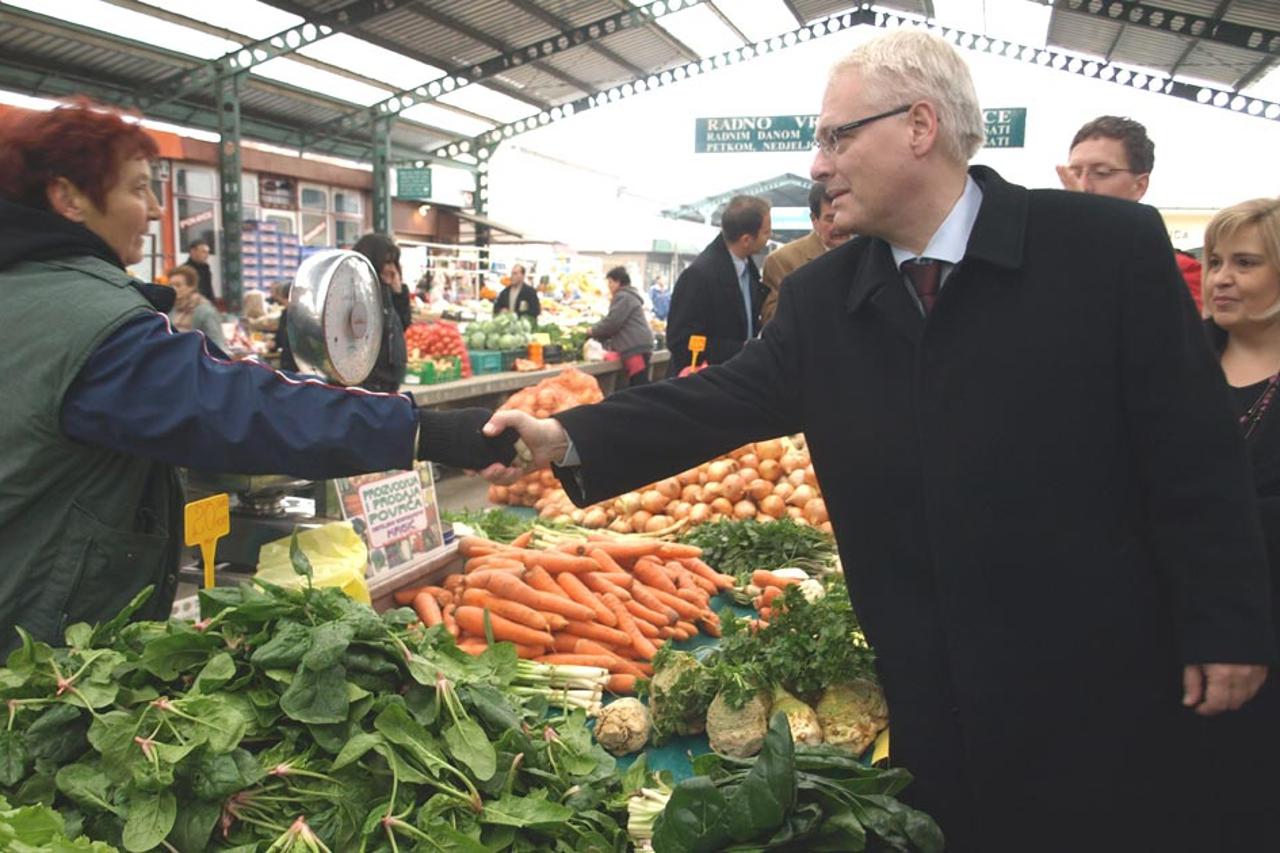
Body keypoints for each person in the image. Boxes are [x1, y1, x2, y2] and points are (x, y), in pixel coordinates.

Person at [480, 31, 1274, 852]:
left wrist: (1229, 620)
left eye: (835, 136)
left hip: (1098, 676)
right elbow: (720, 399)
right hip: (932, 690)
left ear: (920, 125)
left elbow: (1192, 448)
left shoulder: (1102, 249)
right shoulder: (828, 296)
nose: (818, 164)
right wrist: (563, 434)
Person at [0, 100, 517, 651]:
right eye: (137, 189)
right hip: (34, 647)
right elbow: (240, 408)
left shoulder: (27, 291)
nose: (154, 209)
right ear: (68, 198)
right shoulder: (82, 321)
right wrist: (434, 433)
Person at [1200, 198, 1280, 849]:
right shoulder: (1183, 360)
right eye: (1216, 260)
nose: (1221, 277)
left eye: (1245, 263)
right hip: (1167, 643)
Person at [1057, 115, 1203, 310]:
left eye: (1101, 173)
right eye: (1074, 173)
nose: (1083, 186)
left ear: (1139, 186)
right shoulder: (1051, 262)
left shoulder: (1180, 271)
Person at [666, 195, 771, 373]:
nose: (770, 237)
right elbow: (680, 341)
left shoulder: (749, 271)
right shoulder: (698, 276)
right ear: (746, 240)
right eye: (767, 232)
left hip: (738, 377)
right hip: (707, 384)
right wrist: (743, 349)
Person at [760, 180, 849, 324]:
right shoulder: (782, 260)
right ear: (814, 220)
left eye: (843, 216)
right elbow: (772, 319)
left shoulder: (869, 254)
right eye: (830, 219)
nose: (838, 226)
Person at [353, 233, 411, 393]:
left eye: (394, 262)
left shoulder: (390, 290)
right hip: (369, 379)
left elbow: (403, 324)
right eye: (386, 262)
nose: (391, 268)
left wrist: (399, 293)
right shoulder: (356, 293)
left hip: (390, 377)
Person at [590, 266, 654, 388]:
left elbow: (612, 322)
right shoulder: (629, 296)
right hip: (639, 344)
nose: (609, 286)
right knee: (638, 383)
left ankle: (644, 406)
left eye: (610, 282)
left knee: (639, 384)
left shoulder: (623, 296)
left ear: (618, 282)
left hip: (635, 346)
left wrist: (592, 331)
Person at [166, 263, 228, 352]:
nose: (173, 289)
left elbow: (217, 345)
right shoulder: (170, 309)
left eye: (178, 285)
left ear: (191, 287)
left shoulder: (205, 311)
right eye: (171, 285)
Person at [183, 238, 215, 303]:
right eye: (203, 252)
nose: (207, 256)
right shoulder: (185, 270)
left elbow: (209, 290)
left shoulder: (206, 268)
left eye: (208, 252)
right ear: (193, 251)